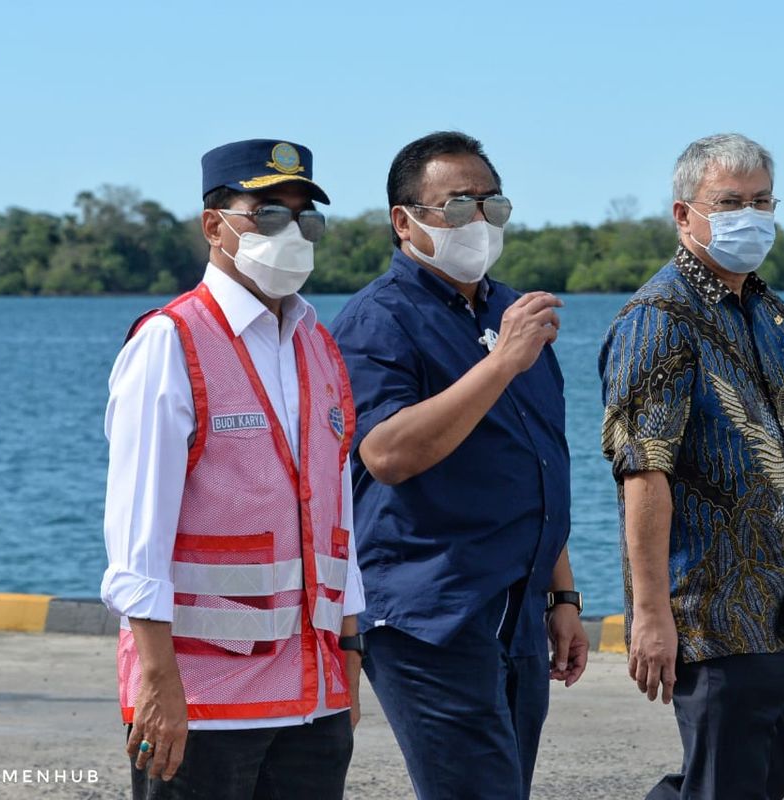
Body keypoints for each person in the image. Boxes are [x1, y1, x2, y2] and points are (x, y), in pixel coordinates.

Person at [599, 132, 784, 800]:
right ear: (683, 214)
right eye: (729, 202)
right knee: (728, 784)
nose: (748, 215)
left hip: (778, 605)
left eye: (760, 201)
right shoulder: (658, 319)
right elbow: (644, 473)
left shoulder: (772, 314)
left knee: (763, 778)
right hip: (711, 611)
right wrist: (650, 614)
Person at [100, 139, 364, 800]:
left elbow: (340, 522)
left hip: (312, 700)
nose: (292, 233)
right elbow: (137, 537)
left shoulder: (318, 345)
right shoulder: (171, 342)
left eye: (306, 219)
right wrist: (156, 684)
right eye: (268, 214)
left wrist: (350, 662)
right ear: (214, 226)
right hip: (201, 701)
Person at [329, 130, 588, 799]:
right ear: (404, 220)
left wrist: (562, 596)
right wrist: (500, 363)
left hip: (518, 610)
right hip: (431, 616)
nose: (477, 220)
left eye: (491, 205)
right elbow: (386, 453)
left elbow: (539, 463)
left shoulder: (510, 312)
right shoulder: (378, 320)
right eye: (456, 205)